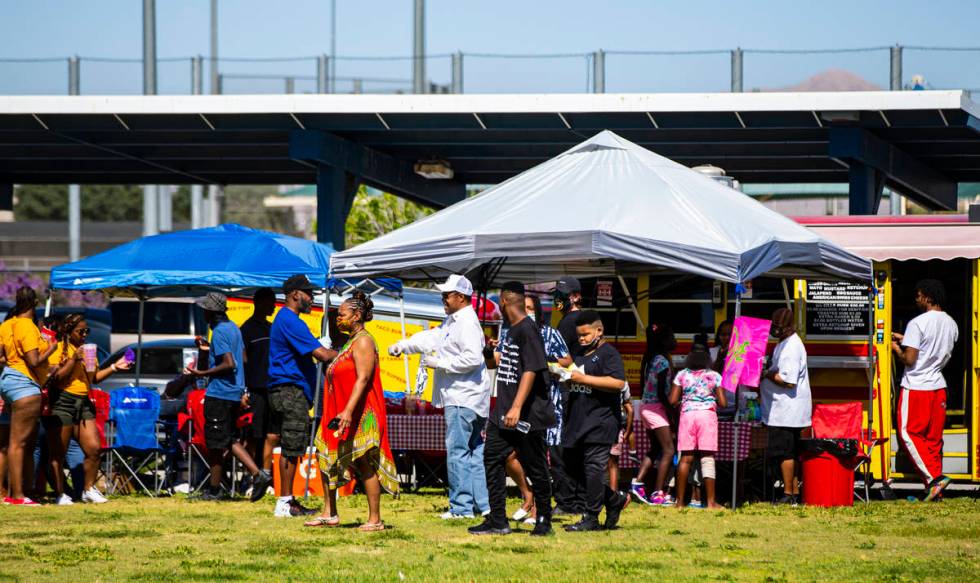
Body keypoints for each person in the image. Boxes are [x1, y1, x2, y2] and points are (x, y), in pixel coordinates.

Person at [389, 274, 491, 520]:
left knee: (458, 451)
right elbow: (430, 338)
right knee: (473, 452)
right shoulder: (454, 321)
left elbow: (472, 359)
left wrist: (440, 363)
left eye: (447, 295)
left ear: (461, 297)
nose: (442, 298)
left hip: (462, 397)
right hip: (471, 398)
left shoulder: (465, 322)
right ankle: (482, 505)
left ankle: (461, 508)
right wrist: (404, 345)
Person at [305, 291, 398, 531]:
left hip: (359, 413)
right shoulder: (350, 342)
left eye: (342, 315)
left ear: (357, 316)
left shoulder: (364, 340)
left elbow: (364, 378)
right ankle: (329, 513)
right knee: (326, 457)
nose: (338, 319)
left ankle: (375, 519)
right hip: (338, 412)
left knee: (363, 461)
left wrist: (347, 411)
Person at [470, 281, 554, 536]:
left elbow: (532, 369)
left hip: (526, 414)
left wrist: (517, 407)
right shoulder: (511, 331)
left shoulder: (527, 329)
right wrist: (488, 352)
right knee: (492, 458)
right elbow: (499, 366)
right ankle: (497, 520)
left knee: (536, 466)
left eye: (499, 303)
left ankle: (544, 521)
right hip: (502, 412)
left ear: (505, 301)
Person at [488, 293, 573, 524]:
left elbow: (566, 360)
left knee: (539, 460)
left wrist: (546, 361)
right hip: (509, 404)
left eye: (529, 307)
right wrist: (489, 350)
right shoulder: (509, 332)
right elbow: (498, 361)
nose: (526, 311)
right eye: (523, 306)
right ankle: (522, 503)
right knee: (505, 457)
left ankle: (540, 513)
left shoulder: (548, 333)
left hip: (539, 403)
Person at [185, 292, 272, 502]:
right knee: (218, 442)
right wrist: (207, 351)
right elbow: (242, 358)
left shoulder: (221, 332)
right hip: (233, 393)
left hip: (220, 393)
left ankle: (257, 474)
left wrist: (201, 373)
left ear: (212, 312)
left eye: (205, 309)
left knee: (224, 440)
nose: (203, 312)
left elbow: (230, 363)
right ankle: (214, 490)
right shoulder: (233, 327)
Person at [267, 275, 337, 517]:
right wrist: (348, 352)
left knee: (291, 445)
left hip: (287, 389)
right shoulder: (290, 320)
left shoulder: (287, 319)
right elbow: (323, 355)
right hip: (290, 390)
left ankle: (288, 501)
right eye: (308, 293)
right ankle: (285, 503)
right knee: (292, 447)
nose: (312, 298)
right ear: (295, 294)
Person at [44, 314, 130, 504]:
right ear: (68, 330)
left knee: (94, 449)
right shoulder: (57, 348)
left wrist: (115, 366)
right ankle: (60, 494)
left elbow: (94, 378)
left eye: (87, 331)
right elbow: (56, 379)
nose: (84, 334)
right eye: (80, 331)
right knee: (58, 452)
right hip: (62, 401)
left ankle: (88, 489)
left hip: (83, 402)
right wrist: (74, 359)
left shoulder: (88, 350)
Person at [561, 310, 631, 531]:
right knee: (571, 467)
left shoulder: (609, 354)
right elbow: (575, 378)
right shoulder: (579, 353)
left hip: (601, 422)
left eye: (585, 334)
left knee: (593, 469)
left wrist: (583, 379)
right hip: (577, 420)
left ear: (599, 330)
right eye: (579, 335)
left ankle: (591, 517)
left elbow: (618, 383)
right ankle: (614, 500)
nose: (581, 339)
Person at [892, 279, 958, 501]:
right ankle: (935, 489)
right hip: (938, 386)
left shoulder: (917, 323)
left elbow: (910, 359)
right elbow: (933, 348)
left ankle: (933, 481)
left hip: (916, 386)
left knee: (908, 433)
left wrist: (896, 349)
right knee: (932, 439)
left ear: (928, 298)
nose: (916, 299)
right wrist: (906, 340)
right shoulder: (951, 323)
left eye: (919, 295)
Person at [0, 286, 57, 506]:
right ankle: (17, 495)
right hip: (25, 385)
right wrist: (52, 348)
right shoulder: (28, 327)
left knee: (17, 442)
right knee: (19, 443)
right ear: (34, 304)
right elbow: (34, 361)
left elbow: (2, 357)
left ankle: (16, 492)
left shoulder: (6, 325)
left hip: (8, 381)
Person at [759, 307, 811, 506]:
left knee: (784, 452)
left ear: (789, 327)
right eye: (774, 327)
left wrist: (766, 374)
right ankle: (794, 492)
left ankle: (788, 494)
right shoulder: (785, 342)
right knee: (789, 451)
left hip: (786, 410)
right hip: (783, 409)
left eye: (779, 328)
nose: (775, 331)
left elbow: (788, 381)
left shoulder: (791, 347)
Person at [669, 343, 726, 509]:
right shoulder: (714, 375)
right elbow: (723, 402)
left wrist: (687, 400)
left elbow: (672, 400)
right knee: (707, 458)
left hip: (687, 415)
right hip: (707, 416)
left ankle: (679, 502)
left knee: (685, 458)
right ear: (708, 358)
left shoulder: (682, 375)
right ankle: (710, 502)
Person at [631, 322, 676, 506]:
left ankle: (637, 483)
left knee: (656, 448)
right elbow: (661, 393)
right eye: (672, 337)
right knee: (669, 449)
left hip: (645, 407)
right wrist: (672, 412)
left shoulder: (650, 357)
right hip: (656, 408)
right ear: (665, 340)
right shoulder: (663, 361)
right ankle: (658, 493)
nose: (675, 340)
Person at [239, 287, 277, 478]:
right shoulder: (246, 329)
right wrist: (243, 391)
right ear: (258, 302)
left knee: (272, 434)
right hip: (254, 389)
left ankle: (266, 475)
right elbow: (241, 362)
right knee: (254, 436)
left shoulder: (272, 328)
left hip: (273, 388)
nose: (273, 305)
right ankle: (252, 477)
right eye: (270, 301)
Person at [607, 382, 634, 493]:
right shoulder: (622, 382)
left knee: (595, 463)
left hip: (597, 425)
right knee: (613, 464)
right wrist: (627, 430)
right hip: (615, 425)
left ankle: (595, 495)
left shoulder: (593, 376)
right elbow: (630, 409)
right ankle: (613, 495)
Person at [553, 276, 584, 358]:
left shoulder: (569, 321)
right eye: (556, 294)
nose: (558, 298)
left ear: (576, 297)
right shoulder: (579, 316)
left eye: (563, 294)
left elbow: (559, 355)